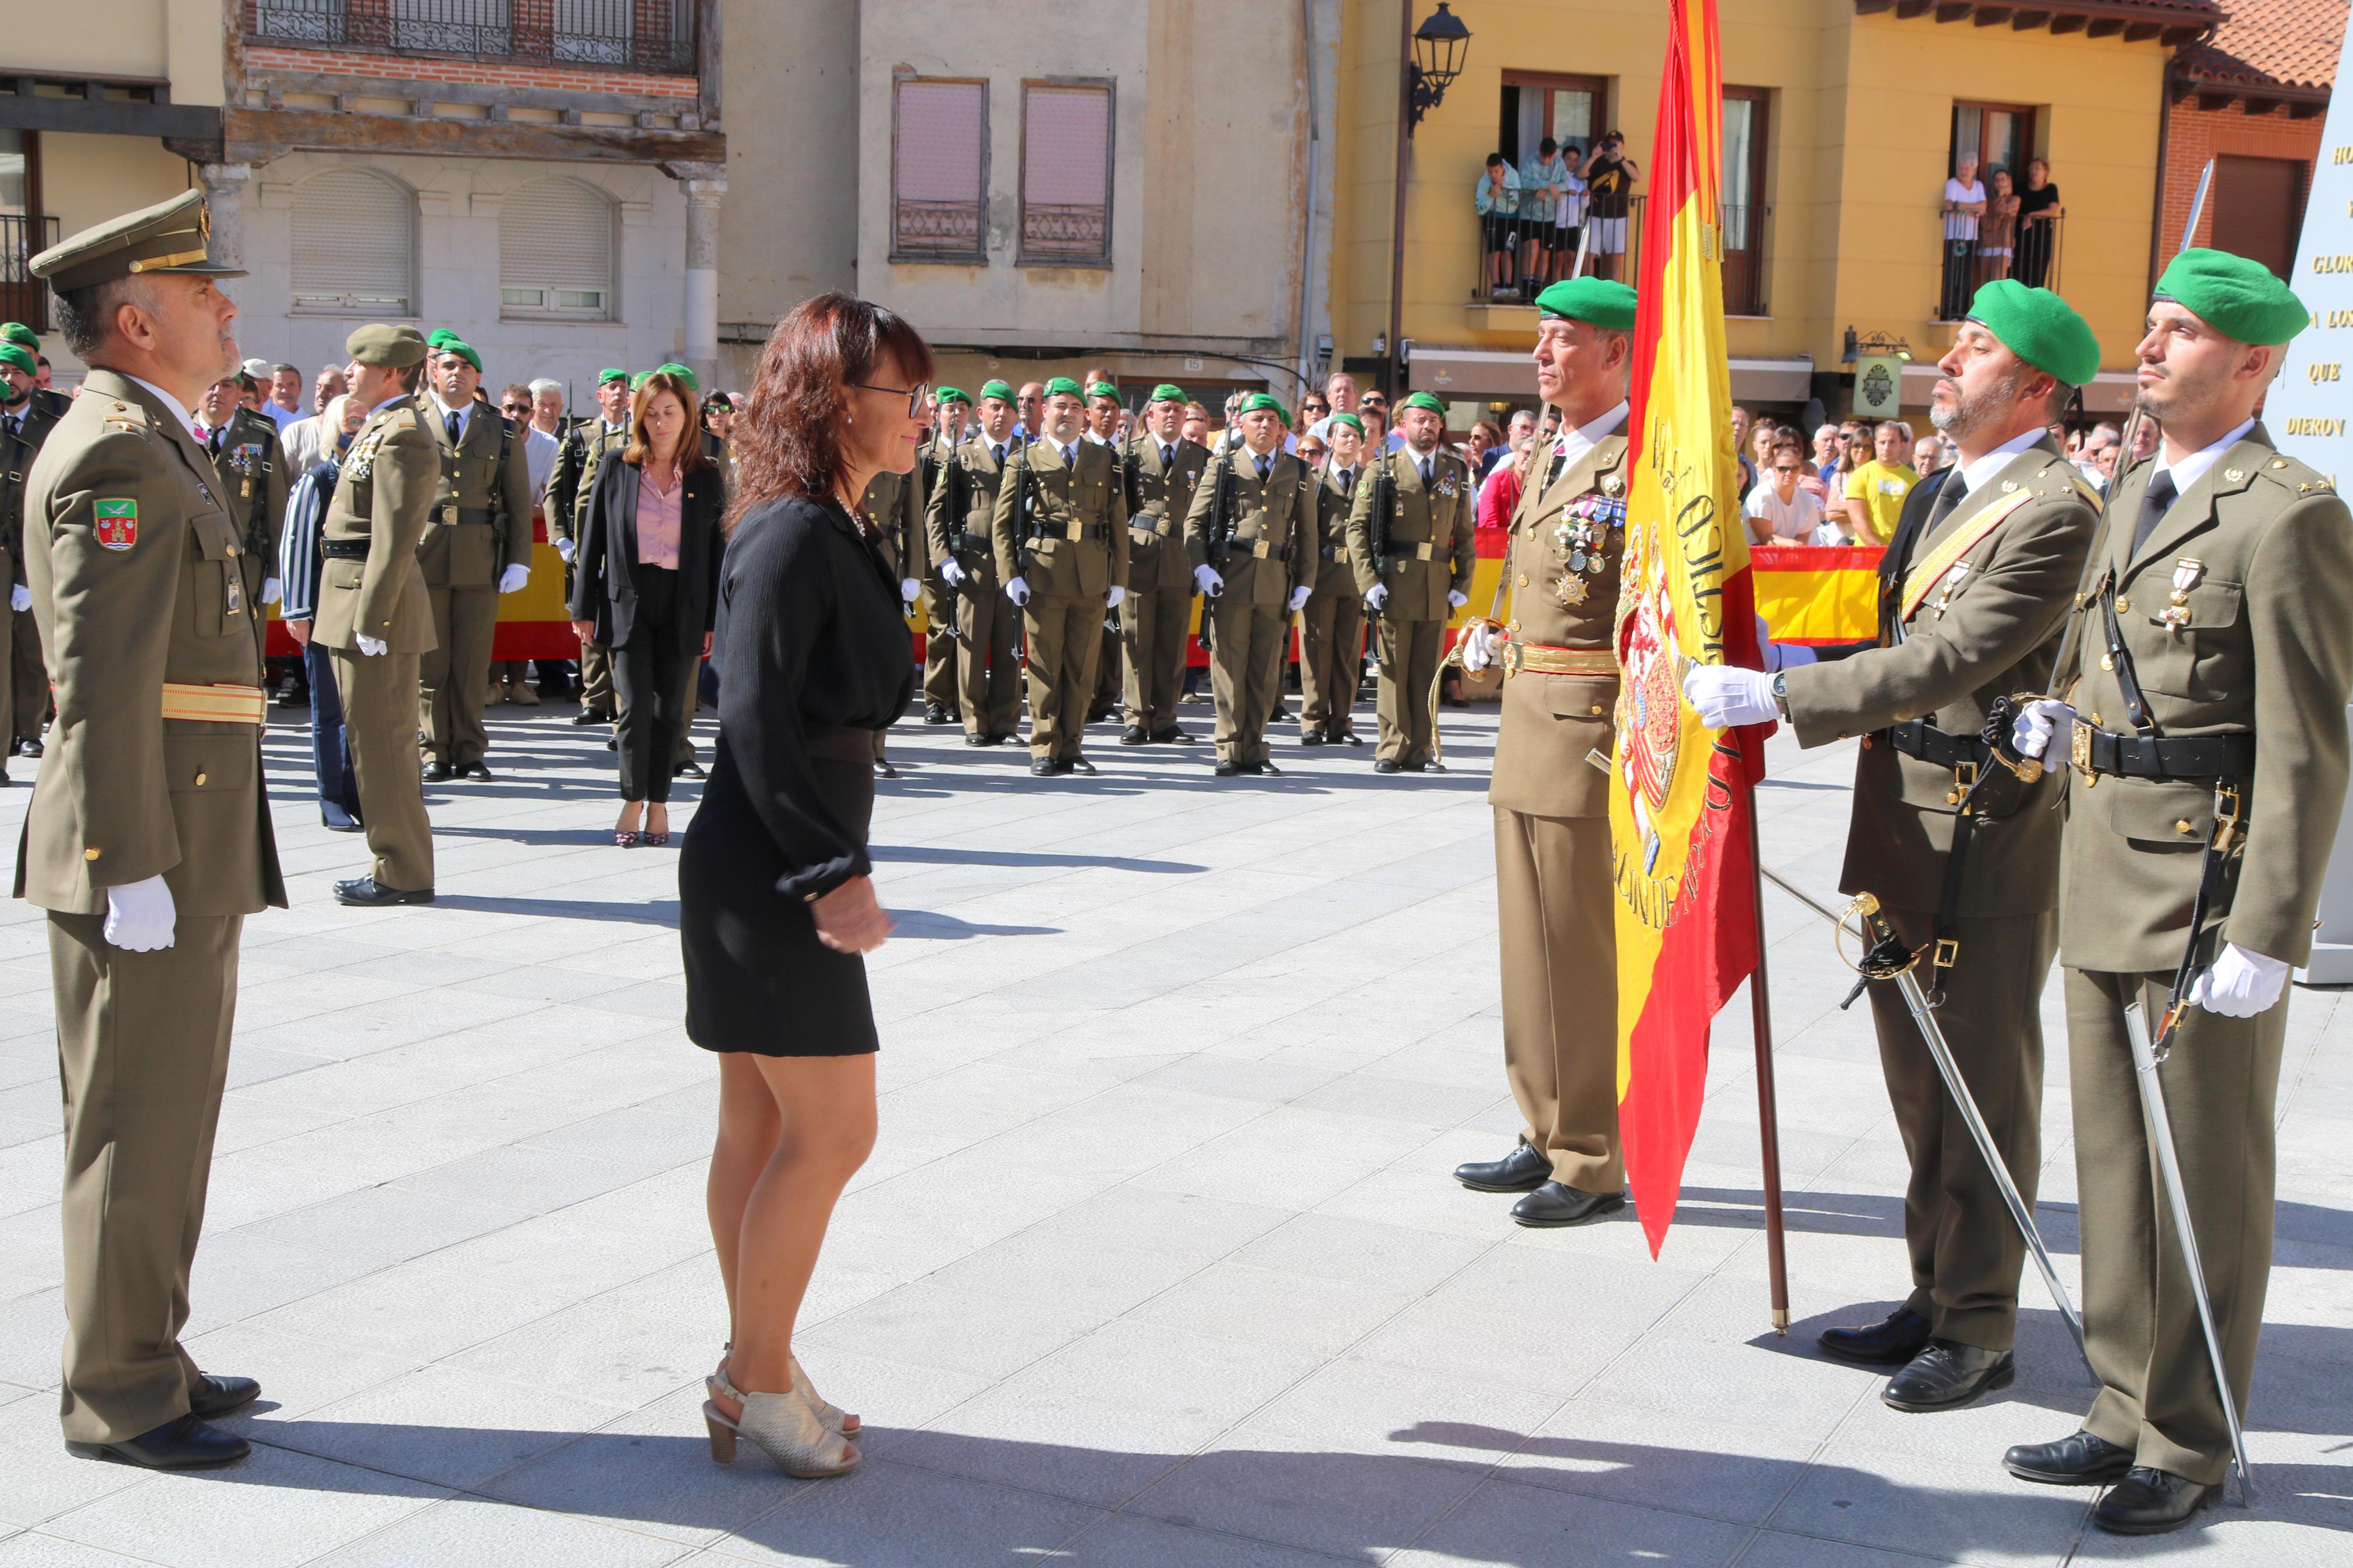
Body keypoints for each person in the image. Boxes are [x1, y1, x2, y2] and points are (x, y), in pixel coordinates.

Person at [1691, 279, 2103, 1412]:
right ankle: (1933, 1294)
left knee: (1977, 1087)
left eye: (1970, 351)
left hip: (1980, 836)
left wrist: (1778, 695)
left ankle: (1979, 1327)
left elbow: (1947, 659)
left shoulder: (2055, 509)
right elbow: (1892, 638)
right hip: (1897, 822)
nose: (1944, 363)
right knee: (1917, 1086)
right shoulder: (1933, 492)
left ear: (2029, 387)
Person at [2003, 252, 2353, 1534]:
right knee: (2109, 1161)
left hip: (2202, 894)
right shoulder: (2135, 492)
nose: (2145, 351)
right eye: (2147, 328)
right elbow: (2118, 664)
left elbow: (2306, 744)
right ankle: (2116, 1403)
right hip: (2098, 867)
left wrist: (2270, 933)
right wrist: (2061, 715)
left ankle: (2188, 1440)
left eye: (2179, 333)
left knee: (2201, 1174)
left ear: (2252, 363)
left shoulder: (2288, 511)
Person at [22, 187, 285, 1469]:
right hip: (148, 846)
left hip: (187, 836)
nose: (225, 307)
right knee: (134, 1119)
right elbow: (104, 676)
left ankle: (149, 1343)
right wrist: (126, 863)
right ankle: (118, 1391)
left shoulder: (158, 436)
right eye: (199, 295)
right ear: (134, 322)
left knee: (169, 1113)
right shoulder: (119, 451)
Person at [682, 293, 927, 1482]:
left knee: (765, 1123)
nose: (920, 414)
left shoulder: (830, 523)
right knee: (834, 1130)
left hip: (771, 851)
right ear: (837, 403)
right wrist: (830, 872)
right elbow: (750, 718)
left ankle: (754, 1364)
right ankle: (760, 1384)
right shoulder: (789, 531)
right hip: (772, 861)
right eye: (903, 393)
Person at [1450, 276, 1635, 1226]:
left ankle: (1593, 1154)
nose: (1540, 355)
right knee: (1527, 950)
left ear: (1613, 353)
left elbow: (1654, 619)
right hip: (1523, 721)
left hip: (1585, 735)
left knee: (1577, 953)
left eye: (1561, 340)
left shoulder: (1641, 467)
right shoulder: (1546, 453)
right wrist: (1489, 640)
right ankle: (1542, 1125)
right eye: (1540, 337)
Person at [569, 368, 722, 848]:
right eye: (651, 413)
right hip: (627, 599)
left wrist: (714, 621)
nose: (660, 422)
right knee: (633, 708)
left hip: (684, 602)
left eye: (670, 413)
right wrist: (583, 606)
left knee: (668, 713)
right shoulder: (617, 465)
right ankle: (632, 799)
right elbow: (591, 537)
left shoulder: (706, 474)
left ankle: (659, 803)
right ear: (638, 417)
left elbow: (718, 553)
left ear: (687, 417)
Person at [318, 325, 440, 907]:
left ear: (391, 373)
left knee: (385, 744)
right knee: (371, 740)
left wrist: (372, 619)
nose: (350, 373)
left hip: (374, 605)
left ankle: (402, 870)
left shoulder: (405, 435)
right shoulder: (381, 424)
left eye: (360, 365)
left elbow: (395, 539)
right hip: (352, 594)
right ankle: (394, 861)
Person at [991, 375, 1127, 777]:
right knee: (1044, 664)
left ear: (1084, 415)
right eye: (1058, 406)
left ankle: (1072, 746)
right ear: (1043, 412)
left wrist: (1118, 576)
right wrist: (1010, 574)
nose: (1065, 414)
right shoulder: (1024, 460)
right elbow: (1003, 524)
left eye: (1073, 407)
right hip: (1043, 573)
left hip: (1090, 574)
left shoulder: (1104, 459)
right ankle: (1044, 746)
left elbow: (1116, 522)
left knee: (1082, 668)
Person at [417, 338, 533, 781]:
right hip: (423, 554)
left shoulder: (500, 428)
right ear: (433, 371)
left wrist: (518, 560)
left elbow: (518, 499)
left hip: (479, 556)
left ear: (478, 378)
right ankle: (432, 749)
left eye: (466, 367)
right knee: (430, 664)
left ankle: (469, 750)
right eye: (448, 365)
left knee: (470, 663)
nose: (456, 373)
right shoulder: (410, 419)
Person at [1185, 392, 1311, 777]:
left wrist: (1304, 581)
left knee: (1264, 670)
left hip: (1275, 580)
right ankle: (1228, 746)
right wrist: (1202, 569)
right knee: (1227, 667)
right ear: (1240, 424)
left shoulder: (1299, 471)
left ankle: (1255, 748)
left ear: (1280, 430)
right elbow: (1194, 524)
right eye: (1256, 418)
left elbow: (1307, 535)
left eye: (1272, 420)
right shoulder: (1222, 467)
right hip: (1232, 577)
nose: (1264, 425)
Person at [1348, 390, 1472, 773]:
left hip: (1435, 582)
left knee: (1424, 669)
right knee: (1393, 670)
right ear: (1403, 425)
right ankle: (1391, 748)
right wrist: (1369, 579)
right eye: (1420, 420)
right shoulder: (1383, 469)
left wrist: (1462, 582)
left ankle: (1420, 748)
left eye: (1434, 421)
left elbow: (1463, 533)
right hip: (1396, 580)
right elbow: (1357, 528)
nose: (1428, 427)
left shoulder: (1454, 470)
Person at [279, 392, 370, 831]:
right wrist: (297, 609)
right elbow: (295, 544)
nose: (358, 426)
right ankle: (330, 795)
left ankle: (357, 789)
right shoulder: (316, 480)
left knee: (362, 709)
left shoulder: (374, 480)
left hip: (365, 609)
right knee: (329, 710)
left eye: (364, 419)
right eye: (351, 420)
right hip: (323, 608)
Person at [929, 379, 1024, 746]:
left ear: (1016, 415)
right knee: (971, 645)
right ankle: (975, 723)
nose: (1000, 414)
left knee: (1009, 647)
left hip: (1013, 567)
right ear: (981, 413)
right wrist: (944, 559)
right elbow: (936, 512)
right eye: (993, 408)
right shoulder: (961, 454)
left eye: (1007, 408)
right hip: (974, 563)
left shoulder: (1027, 454)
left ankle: (1006, 722)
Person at [1118, 383, 1208, 745]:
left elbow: (1208, 517)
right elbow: (1118, 510)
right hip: (1138, 555)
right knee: (1137, 640)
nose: (1171, 414)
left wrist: (1203, 564)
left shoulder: (1201, 458)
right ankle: (1137, 718)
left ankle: (1166, 718)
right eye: (1164, 409)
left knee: (1172, 643)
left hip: (1180, 557)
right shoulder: (1130, 454)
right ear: (1150, 415)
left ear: (1186, 416)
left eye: (1177, 409)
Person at [547, 368, 634, 726]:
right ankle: (595, 697)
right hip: (585, 540)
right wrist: (562, 537)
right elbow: (559, 490)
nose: (618, 393)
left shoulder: (636, 434)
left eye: (623, 388)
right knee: (587, 617)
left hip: (620, 542)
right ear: (600, 395)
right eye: (611, 388)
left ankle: (619, 700)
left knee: (616, 617)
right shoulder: (580, 437)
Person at [0, 338, 63, 780]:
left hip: (34, 544)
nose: (8, 380)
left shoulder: (52, 418)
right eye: (2, 373)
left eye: (16, 373)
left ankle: (29, 727)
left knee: (31, 647)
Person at [193, 371, 289, 645]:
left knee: (245, 644)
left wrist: (275, 572)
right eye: (210, 384)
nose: (217, 392)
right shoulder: (176, 430)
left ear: (239, 393)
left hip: (245, 562)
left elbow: (278, 506)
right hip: (190, 561)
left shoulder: (262, 436)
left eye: (226, 385)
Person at [1300, 411, 1368, 746]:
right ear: (1329, 441)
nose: (1351, 440)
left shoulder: (1370, 480)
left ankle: (1341, 721)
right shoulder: (1313, 478)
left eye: (1357, 436)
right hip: (1322, 574)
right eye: (1344, 435)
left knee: (1347, 651)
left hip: (1355, 576)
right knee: (1316, 648)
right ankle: (1313, 720)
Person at [916, 387, 970, 727]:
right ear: (938, 415)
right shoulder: (924, 455)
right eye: (950, 409)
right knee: (940, 626)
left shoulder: (975, 453)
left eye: (962, 409)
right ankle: (937, 698)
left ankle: (965, 697)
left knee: (965, 627)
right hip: (934, 553)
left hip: (969, 552)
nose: (956, 414)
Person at [1843, 420, 1920, 547]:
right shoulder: (1860, 476)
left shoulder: (1914, 480)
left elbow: (1916, 521)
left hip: (1899, 552)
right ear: (1875, 444)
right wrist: (1878, 547)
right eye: (1882, 442)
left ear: (1902, 445)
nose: (1887, 447)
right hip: (1866, 554)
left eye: (1892, 442)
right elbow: (1858, 521)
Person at [1744, 439, 1826, 545]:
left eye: (1794, 469)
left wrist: (1798, 546)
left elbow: (1803, 537)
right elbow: (1766, 538)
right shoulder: (1761, 495)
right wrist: (1793, 545)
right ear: (1774, 469)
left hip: (1790, 557)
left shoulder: (1806, 499)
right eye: (1783, 468)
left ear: (1801, 470)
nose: (1789, 473)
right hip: (1756, 556)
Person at [1581, 132, 1639, 282]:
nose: (1614, 146)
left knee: (1615, 255)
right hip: (1595, 215)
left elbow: (1636, 177)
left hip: (1618, 217)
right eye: (1610, 143)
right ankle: (1588, 286)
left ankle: (1614, 289)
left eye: (1617, 143)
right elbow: (1581, 174)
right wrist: (1594, 156)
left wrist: (1620, 159)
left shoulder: (1628, 164)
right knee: (1589, 253)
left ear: (1623, 145)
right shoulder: (1598, 163)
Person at [1520, 136, 1573, 290]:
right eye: (1544, 156)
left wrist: (1547, 189)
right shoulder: (1531, 161)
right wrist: (1547, 186)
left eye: (1550, 157)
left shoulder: (1559, 163)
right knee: (1532, 249)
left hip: (1550, 215)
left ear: (1554, 154)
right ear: (1540, 152)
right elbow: (1524, 183)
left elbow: (1565, 184)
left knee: (1545, 253)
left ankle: (1538, 289)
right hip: (1529, 213)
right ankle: (1527, 289)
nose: (1546, 160)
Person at [1942, 155, 1988, 321]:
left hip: (1971, 237)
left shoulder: (1978, 186)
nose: (1963, 171)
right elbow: (1949, 205)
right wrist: (1973, 209)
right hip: (1954, 236)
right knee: (1952, 273)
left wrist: (1960, 206)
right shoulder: (1952, 184)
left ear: (1974, 171)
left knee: (1966, 274)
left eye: (1967, 168)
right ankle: (1949, 309)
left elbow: (1984, 206)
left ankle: (1961, 309)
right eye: (1961, 167)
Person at [1475, 152, 1522, 298]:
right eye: (1490, 172)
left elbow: (1517, 201)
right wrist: (1491, 196)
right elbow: (1479, 208)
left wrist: (1505, 187)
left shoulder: (1513, 175)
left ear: (1502, 168)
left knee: (1507, 251)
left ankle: (1508, 285)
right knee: (1495, 251)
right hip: (1493, 217)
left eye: (1496, 171)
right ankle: (1496, 286)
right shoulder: (1485, 181)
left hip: (1511, 217)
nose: (1493, 175)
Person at [2015, 158, 2062, 290]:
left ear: (2046, 172)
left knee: (2038, 271)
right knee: (2019, 271)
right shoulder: (2020, 188)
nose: (2033, 171)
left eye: (2037, 168)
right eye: (2031, 169)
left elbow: (2052, 210)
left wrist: (2031, 215)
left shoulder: (2051, 189)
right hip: (2022, 236)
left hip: (2042, 237)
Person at [1979, 166, 2020, 283]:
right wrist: (1999, 217)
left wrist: (2001, 197)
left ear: (2009, 181)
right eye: (1996, 180)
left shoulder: (2015, 200)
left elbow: (2003, 210)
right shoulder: (1987, 201)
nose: (2000, 183)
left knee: (1998, 282)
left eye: (2003, 180)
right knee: (1984, 284)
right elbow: (1985, 223)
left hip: (2003, 244)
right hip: (1986, 244)